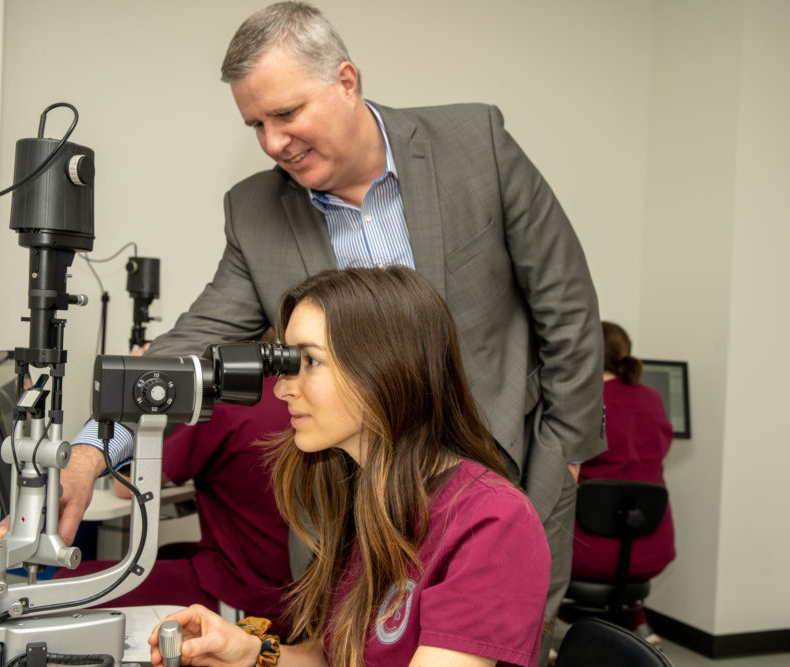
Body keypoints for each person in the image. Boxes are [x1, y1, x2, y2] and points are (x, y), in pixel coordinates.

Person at [51, 4, 604, 660]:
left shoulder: (474, 144)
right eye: (255, 124)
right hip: (364, 506)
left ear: (346, 81)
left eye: (285, 115)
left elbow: (567, 310)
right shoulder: (256, 213)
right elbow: (192, 340)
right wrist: (90, 450)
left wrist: (563, 457)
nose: (272, 142)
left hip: (504, 475)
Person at [149, 265, 550, 667]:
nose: (284, 388)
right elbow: (335, 657)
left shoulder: (493, 521)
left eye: (310, 361)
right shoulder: (369, 495)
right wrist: (252, 654)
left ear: (385, 368)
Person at [49, 378, 294, 634]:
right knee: (169, 551)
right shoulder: (300, 403)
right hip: (290, 587)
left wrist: (136, 389)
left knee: (65, 583)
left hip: (246, 596)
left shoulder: (233, 402)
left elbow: (128, 485)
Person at [570, 321, 676, 644]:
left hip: (590, 552)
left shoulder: (582, 399)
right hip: (650, 547)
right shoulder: (653, 398)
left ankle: (536, 641)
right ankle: (638, 620)